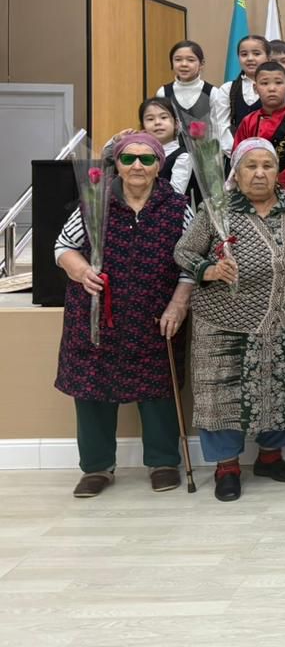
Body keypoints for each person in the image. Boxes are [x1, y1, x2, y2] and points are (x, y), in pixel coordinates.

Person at [174, 139, 285, 502]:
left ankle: (271, 458)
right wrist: (209, 270)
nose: (259, 173)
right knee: (222, 396)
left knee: (279, 391)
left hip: (281, 317)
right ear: (236, 174)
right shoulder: (217, 208)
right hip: (222, 322)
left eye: (267, 166)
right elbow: (184, 251)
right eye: (250, 166)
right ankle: (227, 468)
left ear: (277, 172)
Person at [54, 132, 194, 498]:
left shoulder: (178, 207)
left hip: (156, 315)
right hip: (97, 316)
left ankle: (163, 462)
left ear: (159, 165)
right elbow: (64, 246)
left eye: (147, 159)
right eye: (128, 158)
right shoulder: (94, 201)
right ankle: (96, 467)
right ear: (116, 163)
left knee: (159, 389)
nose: (137, 166)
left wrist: (179, 303)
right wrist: (80, 269)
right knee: (92, 389)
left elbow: (193, 261)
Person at [232, 61, 285, 191]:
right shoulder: (248, 121)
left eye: (278, 83)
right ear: (255, 88)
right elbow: (238, 157)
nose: (272, 88)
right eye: (265, 83)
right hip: (252, 187)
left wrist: (275, 182)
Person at [211, 34, 272, 153]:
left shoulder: (278, 89)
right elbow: (221, 126)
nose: (250, 58)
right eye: (244, 54)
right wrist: (239, 152)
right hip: (236, 155)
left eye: (256, 54)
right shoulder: (228, 89)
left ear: (268, 58)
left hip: (270, 154)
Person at [138, 97, 193, 199]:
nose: (157, 122)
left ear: (176, 123)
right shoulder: (138, 151)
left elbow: (176, 193)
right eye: (150, 119)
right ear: (143, 126)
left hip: (169, 206)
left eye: (163, 117)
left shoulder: (183, 156)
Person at [157, 39, 213, 127]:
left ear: (201, 64)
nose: (184, 64)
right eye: (178, 59)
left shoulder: (212, 92)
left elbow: (219, 126)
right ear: (171, 63)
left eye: (190, 60)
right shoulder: (163, 92)